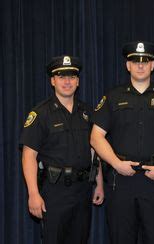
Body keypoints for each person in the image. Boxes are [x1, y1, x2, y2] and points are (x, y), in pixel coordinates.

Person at [90, 41, 154, 244]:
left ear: (153, 65)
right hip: (121, 182)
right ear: (128, 65)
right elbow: (95, 137)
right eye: (135, 61)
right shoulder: (113, 97)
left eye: (146, 61)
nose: (140, 65)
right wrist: (116, 164)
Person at [19, 55, 104, 244]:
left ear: (78, 81)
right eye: (61, 76)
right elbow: (28, 155)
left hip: (82, 190)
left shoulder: (87, 112)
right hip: (54, 192)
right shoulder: (40, 114)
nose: (67, 81)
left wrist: (99, 183)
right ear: (52, 80)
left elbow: (94, 151)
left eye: (72, 77)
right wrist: (33, 194)